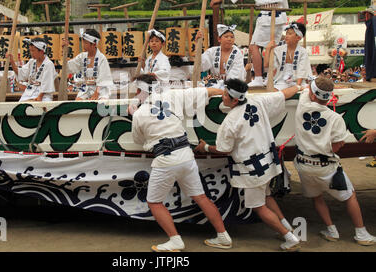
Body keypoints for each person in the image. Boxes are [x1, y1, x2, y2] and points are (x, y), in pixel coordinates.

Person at [195, 78, 302, 251]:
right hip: (267, 162)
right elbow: (283, 95)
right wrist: (299, 86)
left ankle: (289, 237)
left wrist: (205, 147)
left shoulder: (230, 122)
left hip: (253, 169)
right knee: (267, 197)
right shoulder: (257, 100)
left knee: (259, 207)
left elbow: (224, 149)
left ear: (235, 99)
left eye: (225, 95)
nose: (222, 97)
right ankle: (287, 227)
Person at [131, 74, 232, 252]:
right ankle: (223, 235)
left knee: (154, 202)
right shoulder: (174, 96)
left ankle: (175, 240)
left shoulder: (139, 113)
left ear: (140, 91)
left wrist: (134, 115)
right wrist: (225, 92)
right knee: (201, 197)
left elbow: (138, 140)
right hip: (186, 155)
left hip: (165, 160)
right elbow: (206, 91)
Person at [293, 77, 376, 245]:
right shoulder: (335, 118)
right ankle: (361, 233)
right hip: (325, 167)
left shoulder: (302, 104)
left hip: (303, 164)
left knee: (317, 197)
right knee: (350, 196)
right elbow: (337, 146)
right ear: (329, 97)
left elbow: (305, 91)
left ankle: (331, 230)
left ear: (311, 93)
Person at [210, 0, 288, 87]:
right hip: (281, 13)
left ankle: (258, 78)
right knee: (272, 47)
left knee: (253, 46)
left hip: (268, 13)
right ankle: (273, 78)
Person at [67, 29, 113, 100]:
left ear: (94, 44)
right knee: (77, 102)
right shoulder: (81, 57)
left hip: (100, 90)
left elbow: (103, 79)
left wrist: (96, 93)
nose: (83, 45)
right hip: (86, 88)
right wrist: (64, 50)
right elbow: (69, 66)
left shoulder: (102, 58)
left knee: (101, 102)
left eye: (85, 43)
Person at [264, 22, 312, 90]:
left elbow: (302, 70)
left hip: (297, 81)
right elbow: (266, 65)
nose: (286, 36)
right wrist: (268, 49)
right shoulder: (278, 50)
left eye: (290, 34)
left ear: (298, 37)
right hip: (280, 80)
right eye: (286, 33)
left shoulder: (302, 52)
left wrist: (297, 86)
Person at [10, 37, 57, 102]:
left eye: (33, 51)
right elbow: (21, 73)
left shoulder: (48, 64)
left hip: (43, 96)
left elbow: (47, 83)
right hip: (28, 93)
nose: (31, 53)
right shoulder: (31, 62)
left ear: (41, 51)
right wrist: (12, 61)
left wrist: (39, 97)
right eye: (30, 50)